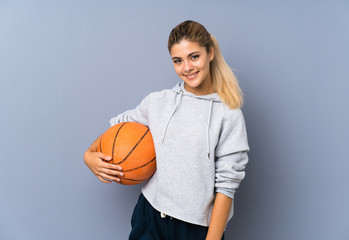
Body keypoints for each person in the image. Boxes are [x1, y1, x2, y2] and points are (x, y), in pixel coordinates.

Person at [84, 20, 250, 240]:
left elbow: (227, 185)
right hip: (150, 216)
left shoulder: (228, 114)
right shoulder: (158, 102)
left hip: (195, 229)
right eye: (177, 61)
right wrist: (89, 156)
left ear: (210, 53)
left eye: (194, 56)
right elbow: (118, 126)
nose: (187, 67)